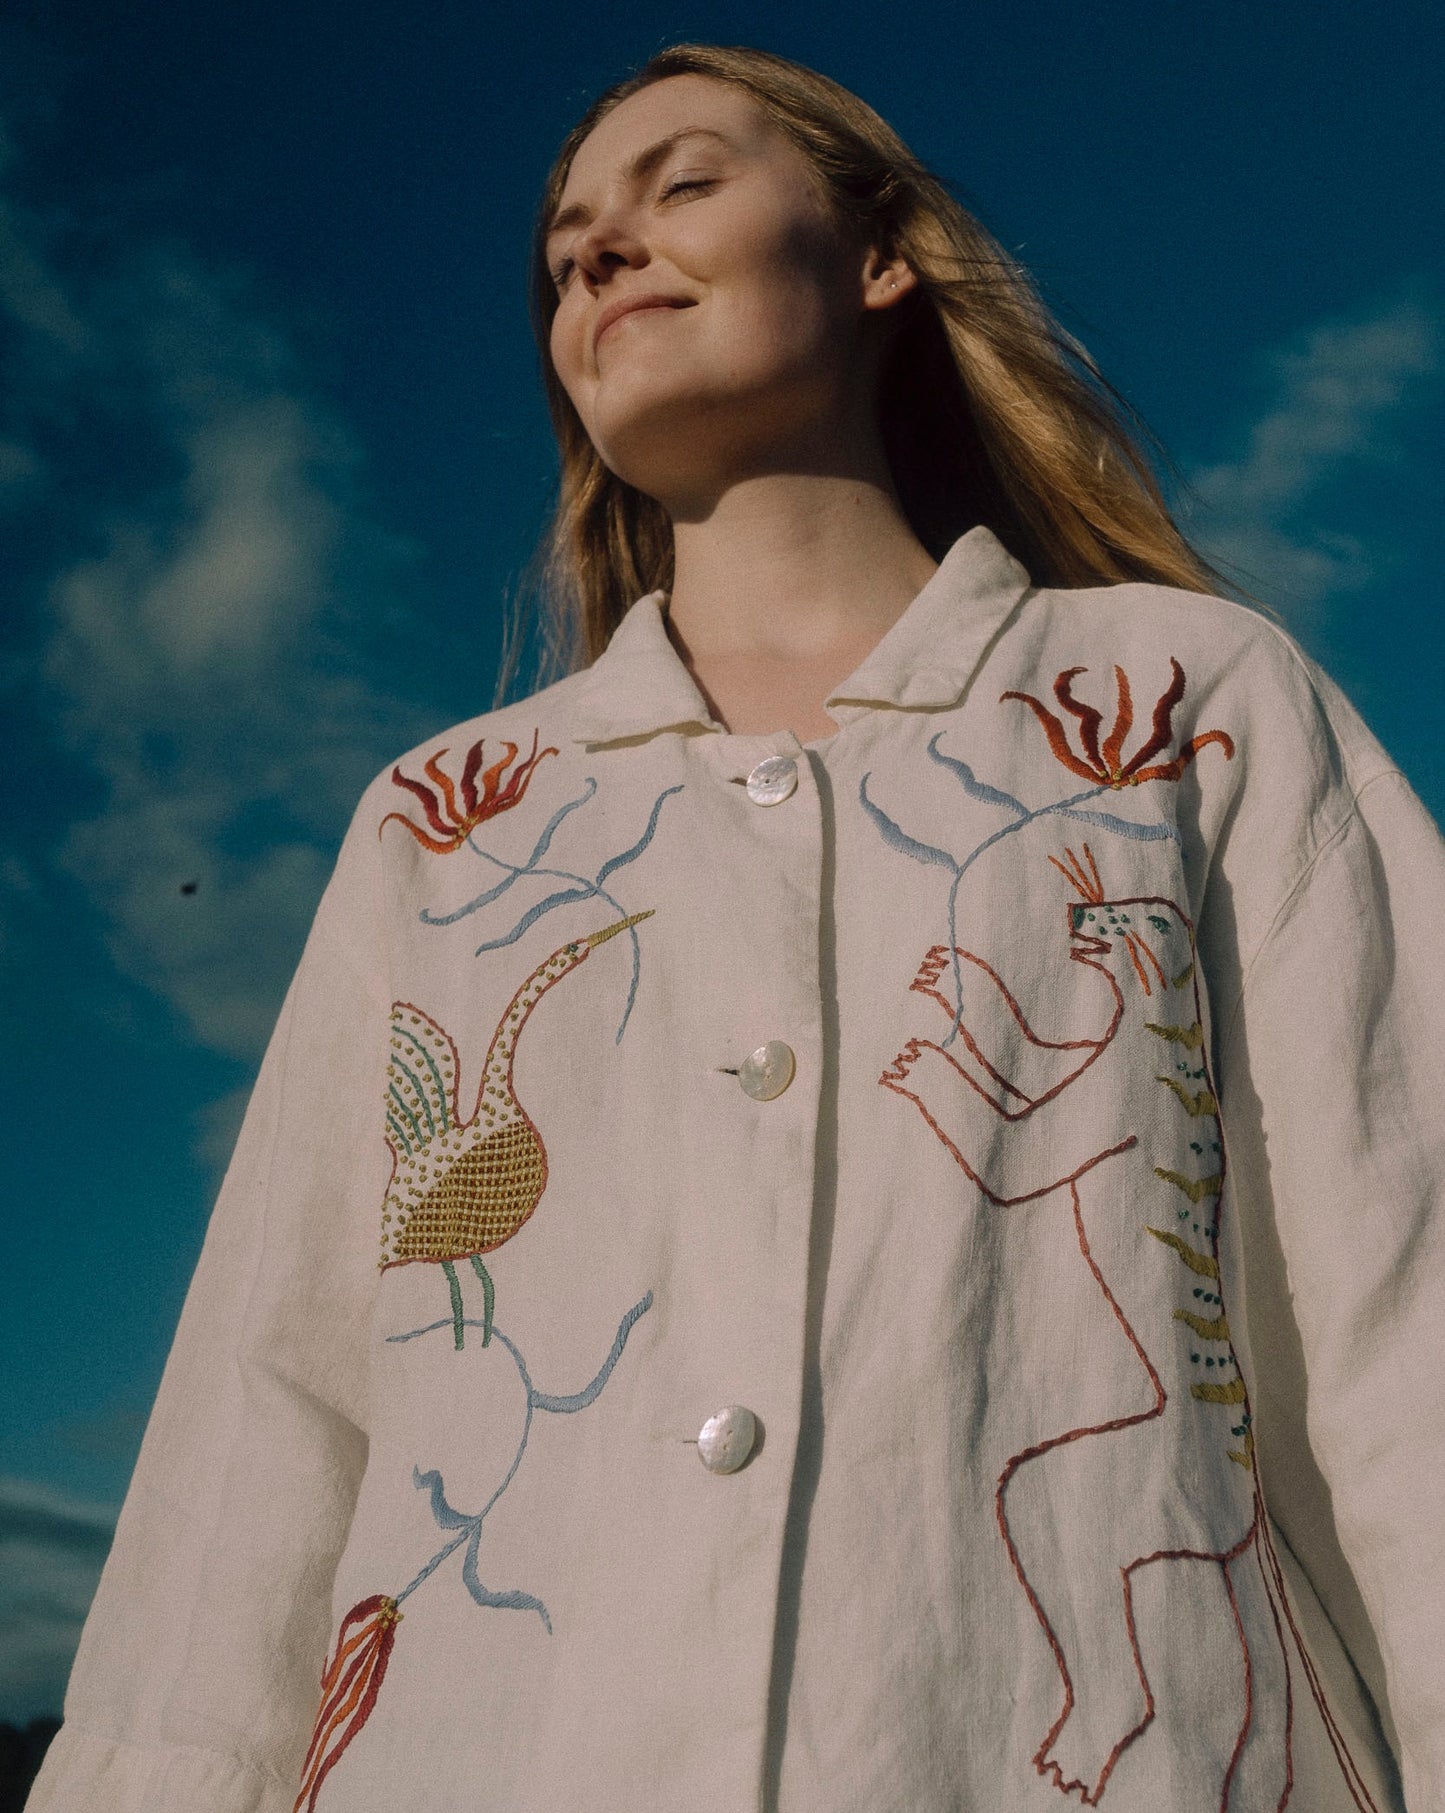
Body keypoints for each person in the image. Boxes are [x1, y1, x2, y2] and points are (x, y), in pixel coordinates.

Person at [28, 41, 1443, 1813]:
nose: (600, 254)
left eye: (678, 185)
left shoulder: (1186, 706)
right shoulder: (447, 823)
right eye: (562, 253)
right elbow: (274, 1400)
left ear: (878, 255)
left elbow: (1407, 1303)